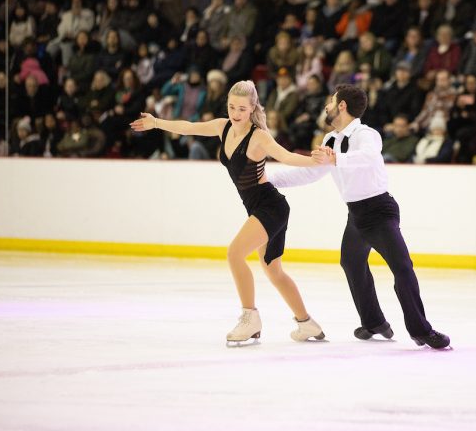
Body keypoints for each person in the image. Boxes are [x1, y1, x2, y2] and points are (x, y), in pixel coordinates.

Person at [130, 80, 325, 345]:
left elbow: (285, 156)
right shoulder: (223, 127)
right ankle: (307, 324)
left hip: (271, 206)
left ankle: (250, 318)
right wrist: (157, 123)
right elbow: (188, 128)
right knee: (273, 271)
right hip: (259, 208)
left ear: (252, 107)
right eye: (232, 106)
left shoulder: (258, 136)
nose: (235, 113)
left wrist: (315, 160)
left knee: (234, 254)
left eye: (242, 109)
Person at [267, 84, 451, 350]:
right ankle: (374, 322)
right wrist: (269, 181)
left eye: (330, 102)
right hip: (356, 214)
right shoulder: (330, 141)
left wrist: (335, 159)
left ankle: (421, 329)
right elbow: (310, 173)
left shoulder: (367, 135)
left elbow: (366, 158)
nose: (326, 106)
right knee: (351, 263)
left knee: (402, 268)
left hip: (379, 211)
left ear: (342, 106)